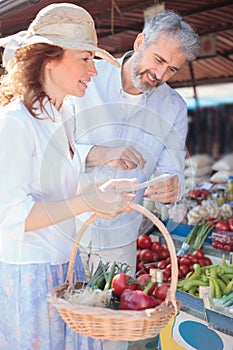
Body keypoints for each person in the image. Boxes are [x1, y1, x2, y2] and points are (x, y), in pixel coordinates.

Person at [0, 3, 136, 350]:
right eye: (85, 58)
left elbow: (59, 187)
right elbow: (11, 216)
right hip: (31, 275)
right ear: (49, 60)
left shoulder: (60, 119)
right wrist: (87, 201)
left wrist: (99, 192)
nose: (93, 71)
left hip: (66, 268)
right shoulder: (14, 123)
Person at [66, 10, 200, 350]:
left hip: (121, 237)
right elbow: (53, 149)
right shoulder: (87, 80)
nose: (160, 74)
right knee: (64, 326)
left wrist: (172, 186)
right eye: (158, 60)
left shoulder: (173, 106)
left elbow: (172, 170)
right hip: (66, 227)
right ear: (140, 43)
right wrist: (101, 152)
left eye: (172, 69)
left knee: (113, 334)